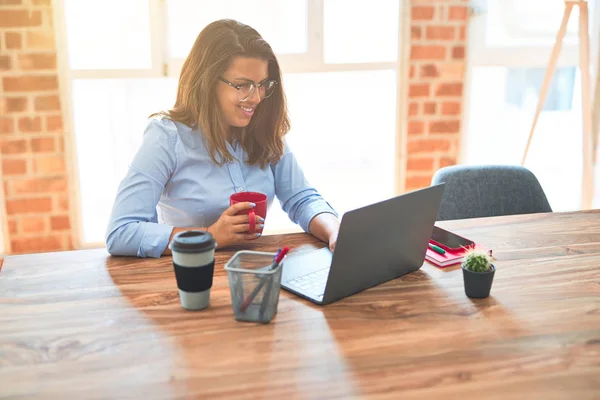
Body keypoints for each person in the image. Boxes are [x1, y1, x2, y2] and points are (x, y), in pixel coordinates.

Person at [105, 19, 340, 258]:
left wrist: (335, 232)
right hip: (190, 275)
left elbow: (301, 198)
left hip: (252, 270)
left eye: (262, 85)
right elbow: (121, 232)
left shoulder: (263, 130)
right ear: (207, 82)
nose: (256, 97)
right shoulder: (167, 137)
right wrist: (209, 236)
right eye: (242, 85)